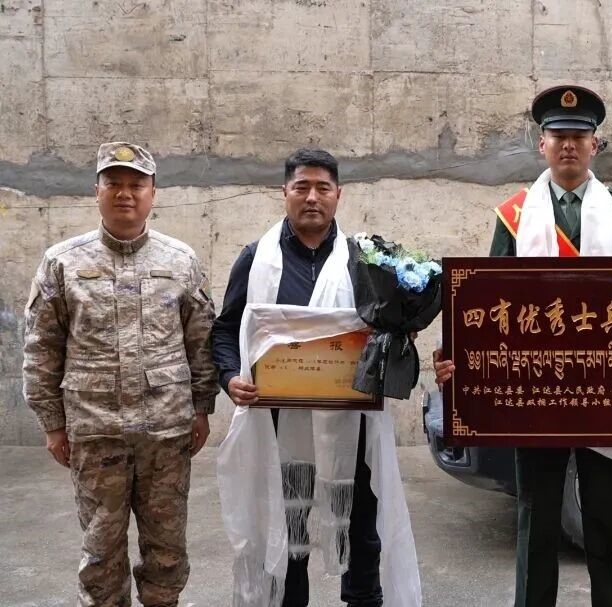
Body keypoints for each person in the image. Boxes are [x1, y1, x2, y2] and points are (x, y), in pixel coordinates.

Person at [434, 85, 612, 607]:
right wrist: (459, 359)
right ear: (542, 144)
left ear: (594, 145)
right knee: (536, 522)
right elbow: (487, 304)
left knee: (607, 520)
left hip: (608, 394)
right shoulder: (514, 216)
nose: (568, 145)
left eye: (579, 137)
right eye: (558, 136)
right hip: (535, 394)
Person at [212, 149, 420, 607]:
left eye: (322, 188)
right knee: (290, 536)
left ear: (338, 195)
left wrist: (400, 339)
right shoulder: (256, 258)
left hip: (351, 421)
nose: (312, 197)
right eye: (301, 187)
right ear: (284, 192)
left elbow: (389, 329)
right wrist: (229, 377)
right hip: (278, 424)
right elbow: (225, 329)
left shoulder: (365, 261)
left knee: (363, 532)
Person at [22, 142, 218, 606]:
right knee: (100, 550)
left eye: (136, 184)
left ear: (153, 193)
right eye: (114, 183)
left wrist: (202, 408)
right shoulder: (63, 262)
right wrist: (52, 424)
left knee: (167, 549)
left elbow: (201, 341)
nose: (125, 193)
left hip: (166, 431)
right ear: (97, 191)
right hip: (96, 431)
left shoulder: (180, 260)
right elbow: (41, 347)